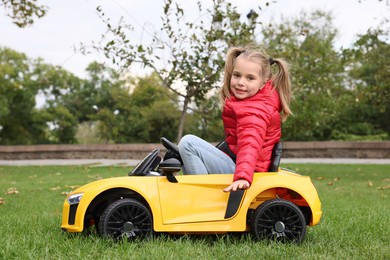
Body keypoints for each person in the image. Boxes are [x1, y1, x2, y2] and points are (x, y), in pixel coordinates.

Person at [178, 45, 292, 192]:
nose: (241, 82)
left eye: (250, 78)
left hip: (247, 172)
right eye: (237, 75)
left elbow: (249, 143)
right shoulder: (255, 101)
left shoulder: (255, 110)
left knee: (189, 144)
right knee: (189, 148)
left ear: (263, 82)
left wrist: (243, 176)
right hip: (241, 164)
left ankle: (203, 197)